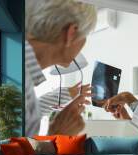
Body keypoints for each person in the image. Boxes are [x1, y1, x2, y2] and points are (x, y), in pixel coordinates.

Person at [25, 0, 97, 137]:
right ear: (71, 33)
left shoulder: (21, 71)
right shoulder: (22, 77)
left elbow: (32, 109)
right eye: (85, 36)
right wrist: (56, 133)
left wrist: (69, 92)